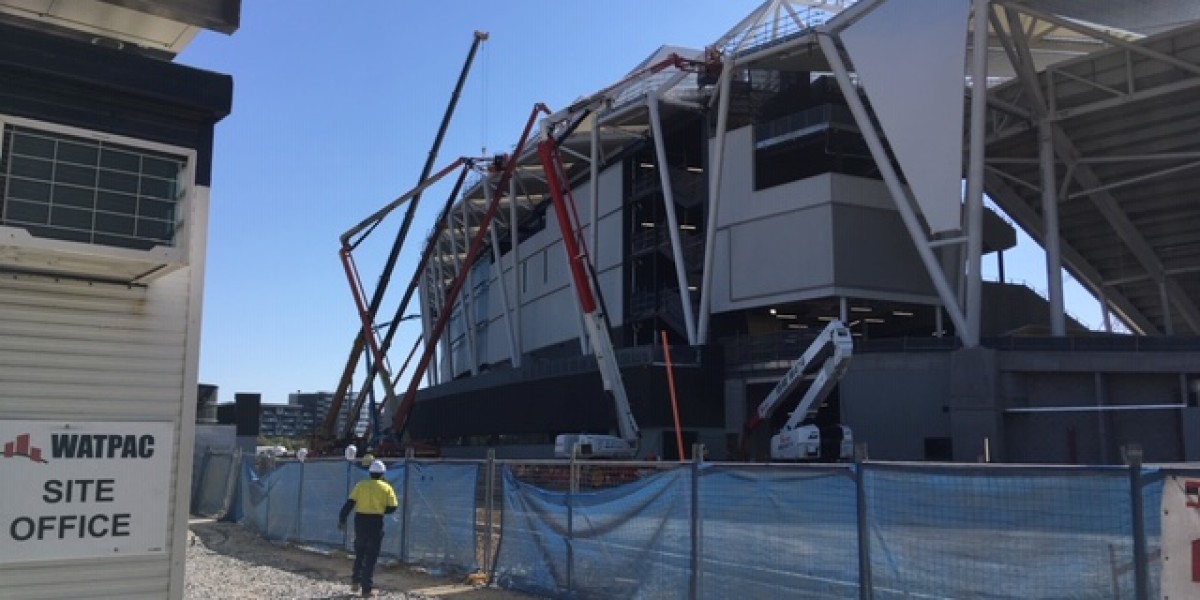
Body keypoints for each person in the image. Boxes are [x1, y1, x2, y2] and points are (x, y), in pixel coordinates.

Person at [338, 459, 398, 597]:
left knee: (359, 552)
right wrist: (381, 509)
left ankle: (355, 581)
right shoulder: (386, 487)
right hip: (376, 523)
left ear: (370, 473)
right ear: (382, 474)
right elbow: (393, 507)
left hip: (360, 521)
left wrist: (342, 518)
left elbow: (349, 504)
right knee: (371, 556)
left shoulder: (361, 485)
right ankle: (366, 589)